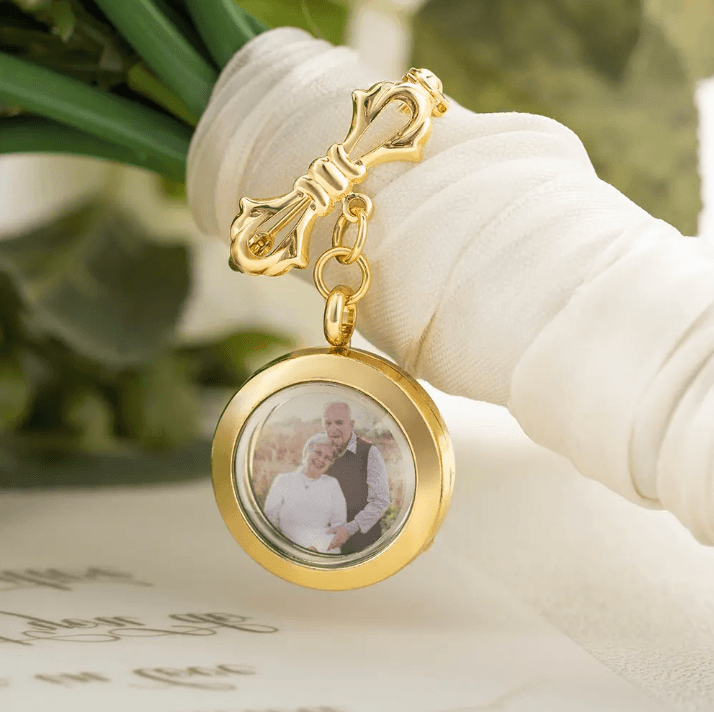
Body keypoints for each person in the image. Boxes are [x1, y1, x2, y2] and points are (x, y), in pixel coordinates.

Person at [323, 402, 390, 554]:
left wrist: (349, 529)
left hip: (362, 544)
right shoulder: (322, 453)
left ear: (351, 424)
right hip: (328, 543)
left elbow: (381, 501)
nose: (333, 428)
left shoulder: (369, 453)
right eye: (328, 423)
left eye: (339, 422)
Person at [263, 432, 347, 553]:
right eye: (318, 453)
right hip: (287, 549)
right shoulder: (283, 480)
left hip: (323, 551)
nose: (321, 460)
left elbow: (338, 526)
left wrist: (318, 548)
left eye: (327, 458)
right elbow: (270, 521)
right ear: (307, 451)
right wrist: (294, 549)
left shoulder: (332, 484)